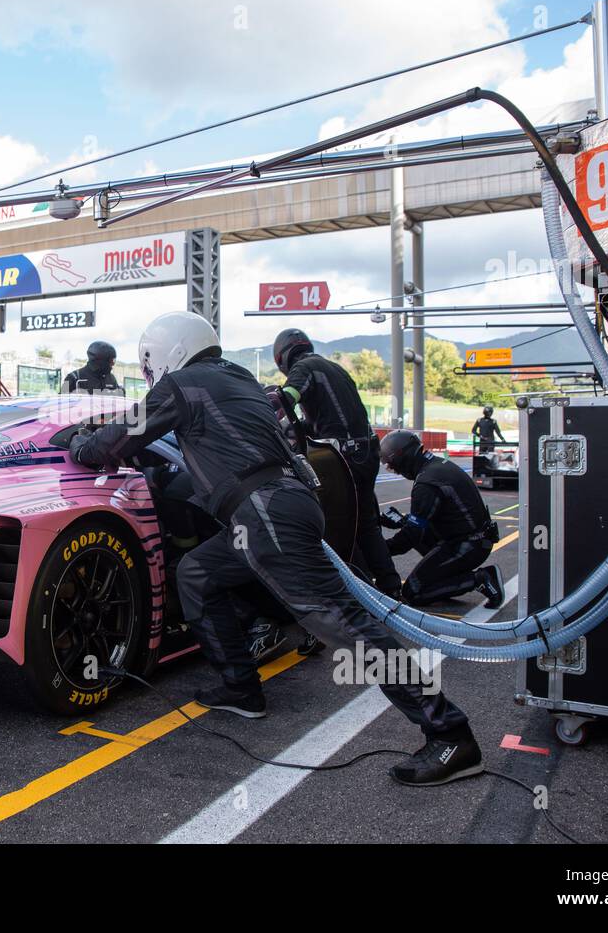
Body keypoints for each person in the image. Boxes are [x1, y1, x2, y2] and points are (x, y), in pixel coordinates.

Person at [70, 311, 482, 786]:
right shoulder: (239, 378)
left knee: (347, 626)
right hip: (284, 505)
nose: (148, 370)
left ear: (170, 350)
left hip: (264, 513)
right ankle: (240, 687)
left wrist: (82, 446)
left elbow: (119, 437)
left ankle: (450, 734)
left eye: (148, 360)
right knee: (198, 573)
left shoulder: (182, 384)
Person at [271, 328, 402, 599]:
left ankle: (356, 594)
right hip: (365, 452)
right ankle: (390, 588)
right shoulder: (333, 368)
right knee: (366, 523)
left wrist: (264, 415)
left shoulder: (304, 368)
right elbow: (326, 417)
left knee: (336, 526)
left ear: (282, 357)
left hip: (344, 458)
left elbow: (284, 400)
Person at [378, 429, 505, 608]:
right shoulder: (437, 466)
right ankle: (444, 578)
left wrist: (379, 551)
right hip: (473, 537)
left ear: (402, 457)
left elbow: (410, 538)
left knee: (412, 592)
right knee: (410, 525)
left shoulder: (426, 483)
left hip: (468, 545)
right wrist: (401, 520)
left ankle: (479, 579)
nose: (395, 471)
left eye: (392, 465)